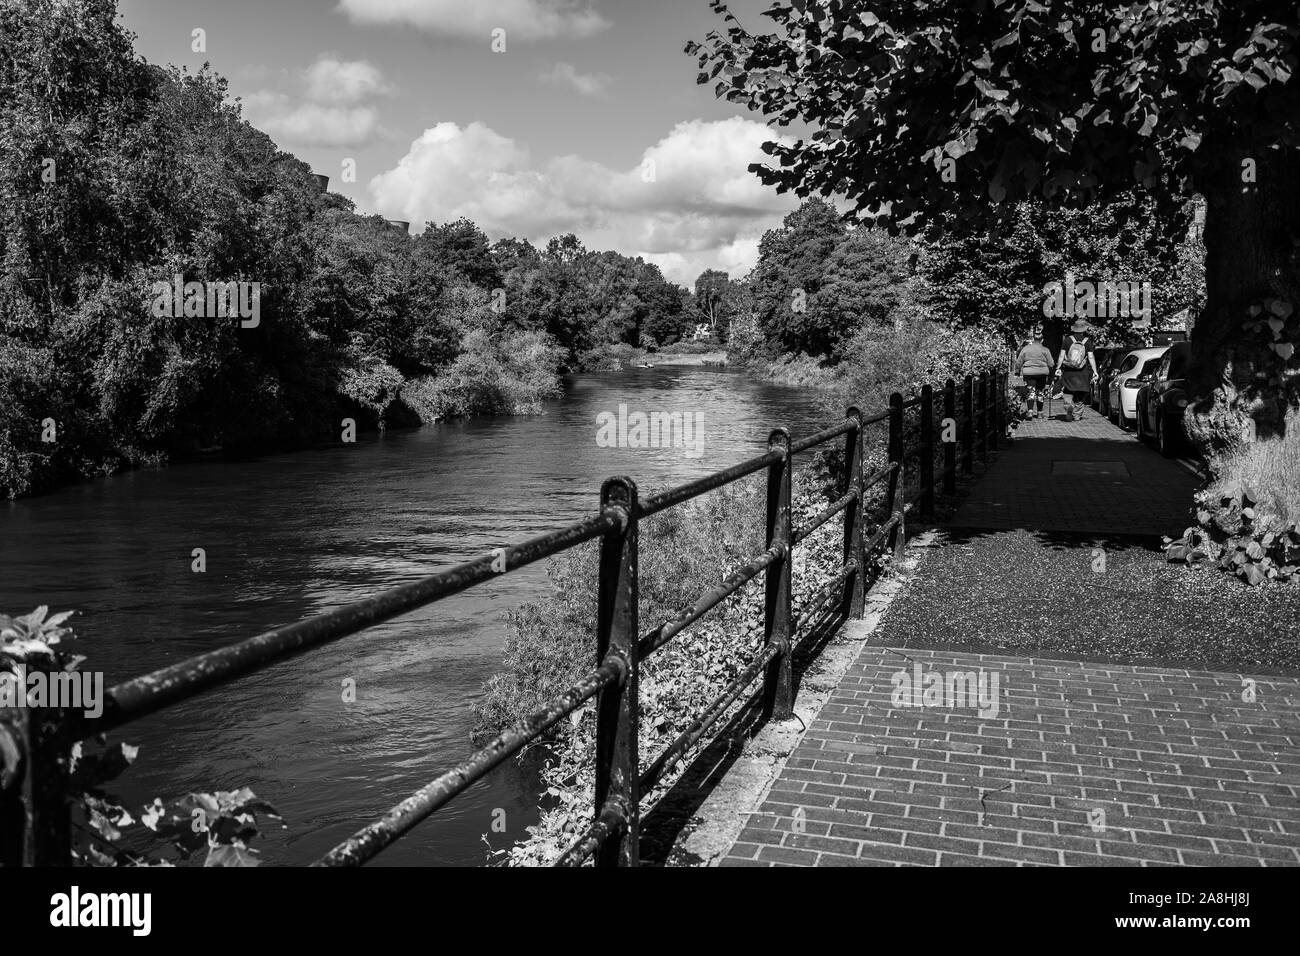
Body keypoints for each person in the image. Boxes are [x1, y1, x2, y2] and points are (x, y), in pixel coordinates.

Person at [1055, 317, 1098, 421]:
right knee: (1081, 393)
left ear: (1074, 329)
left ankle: (1069, 405)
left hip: (1069, 371)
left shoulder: (1067, 340)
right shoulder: (1087, 342)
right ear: (1084, 330)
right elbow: (1091, 357)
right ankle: (1077, 415)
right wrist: (1095, 371)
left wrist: (1058, 368)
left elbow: (1061, 356)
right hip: (1083, 372)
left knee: (1068, 391)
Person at [1013, 332, 1054, 419]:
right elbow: (1051, 363)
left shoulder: (1026, 349)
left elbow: (1019, 361)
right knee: (1040, 392)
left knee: (1031, 392)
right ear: (1042, 340)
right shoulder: (1045, 349)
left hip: (1029, 373)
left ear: (1033, 339)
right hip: (1042, 373)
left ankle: (1030, 412)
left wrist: (1017, 372)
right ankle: (1040, 413)